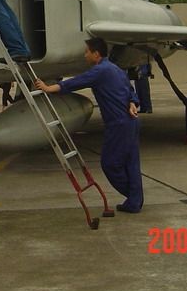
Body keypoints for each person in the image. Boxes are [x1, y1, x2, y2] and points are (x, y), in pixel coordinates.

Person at [34, 37, 144, 213]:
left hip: (118, 125)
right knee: (131, 163)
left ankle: (133, 196)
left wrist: (48, 88)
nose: (85, 55)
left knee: (110, 164)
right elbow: (130, 89)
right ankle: (134, 201)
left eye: (87, 51)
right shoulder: (116, 69)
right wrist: (133, 103)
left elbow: (74, 83)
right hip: (131, 121)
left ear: (96, 54)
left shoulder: (100, 71)